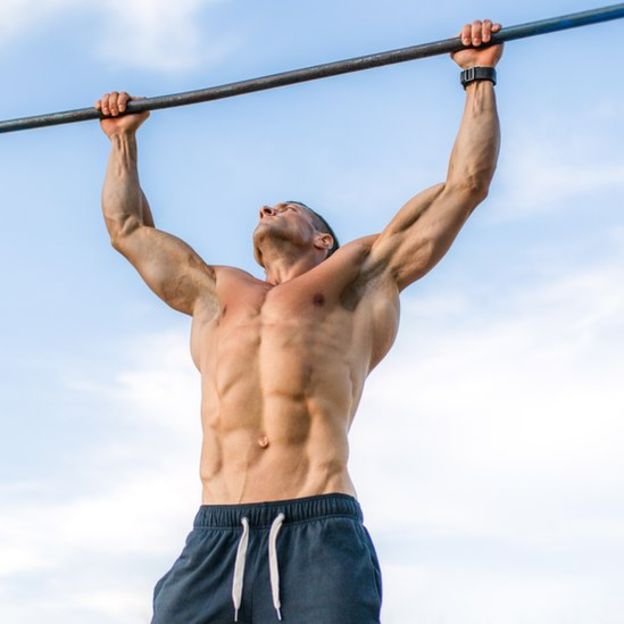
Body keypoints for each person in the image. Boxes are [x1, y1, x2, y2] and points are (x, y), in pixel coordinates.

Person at [96, 18, 503, 624]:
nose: (267, 208)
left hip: (319, 529)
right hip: (216, 536)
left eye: (286, 207)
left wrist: (478, 76)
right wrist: (122, 140)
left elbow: (464, 186)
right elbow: (128, 230)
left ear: (322, 240)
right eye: (264, 209)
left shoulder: (358, 279)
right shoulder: (216, 292)